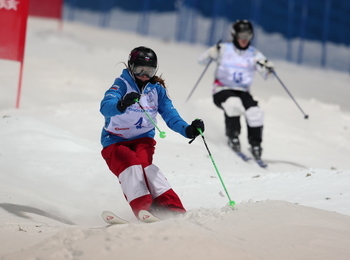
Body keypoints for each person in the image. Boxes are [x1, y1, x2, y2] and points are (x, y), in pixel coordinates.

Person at [100, 46, 205, 220]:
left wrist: (188, 130)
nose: (143, 75)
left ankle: (172, 208)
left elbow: (171, 115)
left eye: (149, 71)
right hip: (115, 141)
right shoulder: (121, 84)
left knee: (147, 169)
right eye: (139, 69)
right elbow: (105, 107)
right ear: (131, 67)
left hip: (143, 141)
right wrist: (121, 104)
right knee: (131, 165)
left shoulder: (156, 89)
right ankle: (144, 208)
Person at [197, 19, 274, 160]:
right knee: (233, 104)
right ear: (234, 35)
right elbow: (201, 61)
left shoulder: (254, 54)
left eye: (248, 36)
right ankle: (233, 137)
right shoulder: (223, 48)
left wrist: (268, 68)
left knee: (255, 112)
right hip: (222, 90)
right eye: (241, 35)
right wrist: (211, 53)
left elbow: (269, 75)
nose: (244, 39)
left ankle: (255, 144)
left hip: (243, 91)